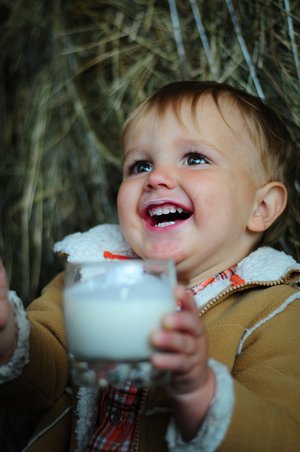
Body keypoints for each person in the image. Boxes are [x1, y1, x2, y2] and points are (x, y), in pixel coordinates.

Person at [0, 80, 300, 452]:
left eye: (195, 158)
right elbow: (38, 384)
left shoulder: (276, 312)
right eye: (140, 165)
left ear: (262, 208)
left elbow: (284, 438)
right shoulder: (92, 275)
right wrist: (7, 334)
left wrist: (200, 391)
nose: (156, 177)